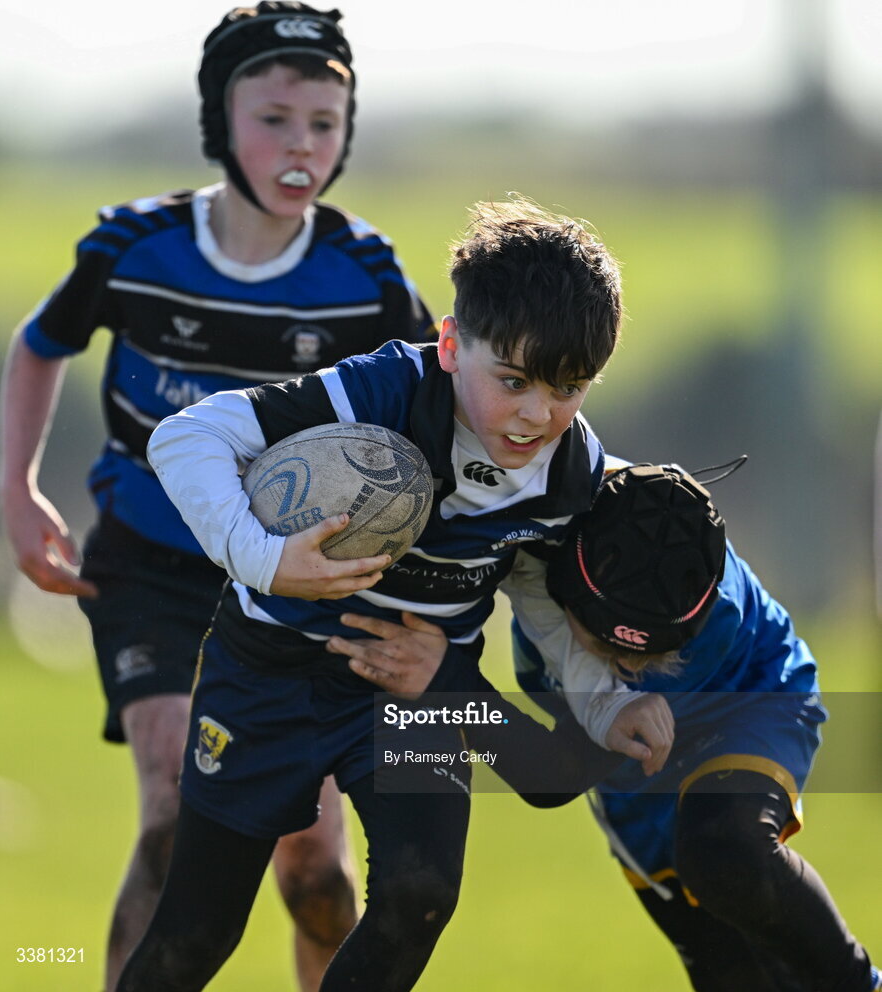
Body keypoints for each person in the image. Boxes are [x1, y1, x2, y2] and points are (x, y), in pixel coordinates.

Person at [117, 197, 674, 991]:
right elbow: (186, 436)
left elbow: (546, 605)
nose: (536, 414)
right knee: (196, 933)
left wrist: (604, 702)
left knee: (419, 896)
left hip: (415, 701)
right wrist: (264, 560)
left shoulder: (571, 471)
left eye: (569, 388)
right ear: (450, 345)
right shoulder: (380, 394)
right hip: (269, 675)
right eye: (512, 379)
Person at [0, 0, 435, 992]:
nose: (300, 145)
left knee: (313, 864)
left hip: (304, 588)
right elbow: (39, 346)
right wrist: (18, 491)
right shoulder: (134, 246)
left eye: (323, 123)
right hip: (151, 565)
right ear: (219, 121)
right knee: (169, 808)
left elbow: (435, 406)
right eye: (274, 117)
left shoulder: (363, 274)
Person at [330, 462, 881, 991]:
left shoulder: (695, 613)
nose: (628, 668)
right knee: (732, 972)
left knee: (724, 850)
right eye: (605, 646)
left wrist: (447, 682)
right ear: (563, 589)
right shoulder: (548, 538)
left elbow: (551, 776)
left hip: (746, 701)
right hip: (635, 769)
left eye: (647, 654)